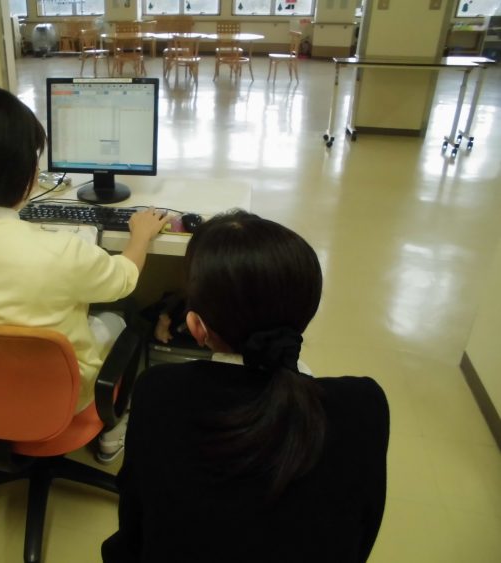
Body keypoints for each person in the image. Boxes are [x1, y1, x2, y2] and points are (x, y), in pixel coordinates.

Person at [102, 209, 390, 562]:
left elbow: (134, 531)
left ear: (196, 328)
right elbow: (357, 538)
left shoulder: (159, 393)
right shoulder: (364, 407)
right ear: (306, 312)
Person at [0, 87, 168, 462]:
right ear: (26, 172)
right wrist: (140, 236)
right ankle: (112, 429)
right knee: (121, 319)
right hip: (63, 403)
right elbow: (123, 279)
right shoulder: (59, 252)